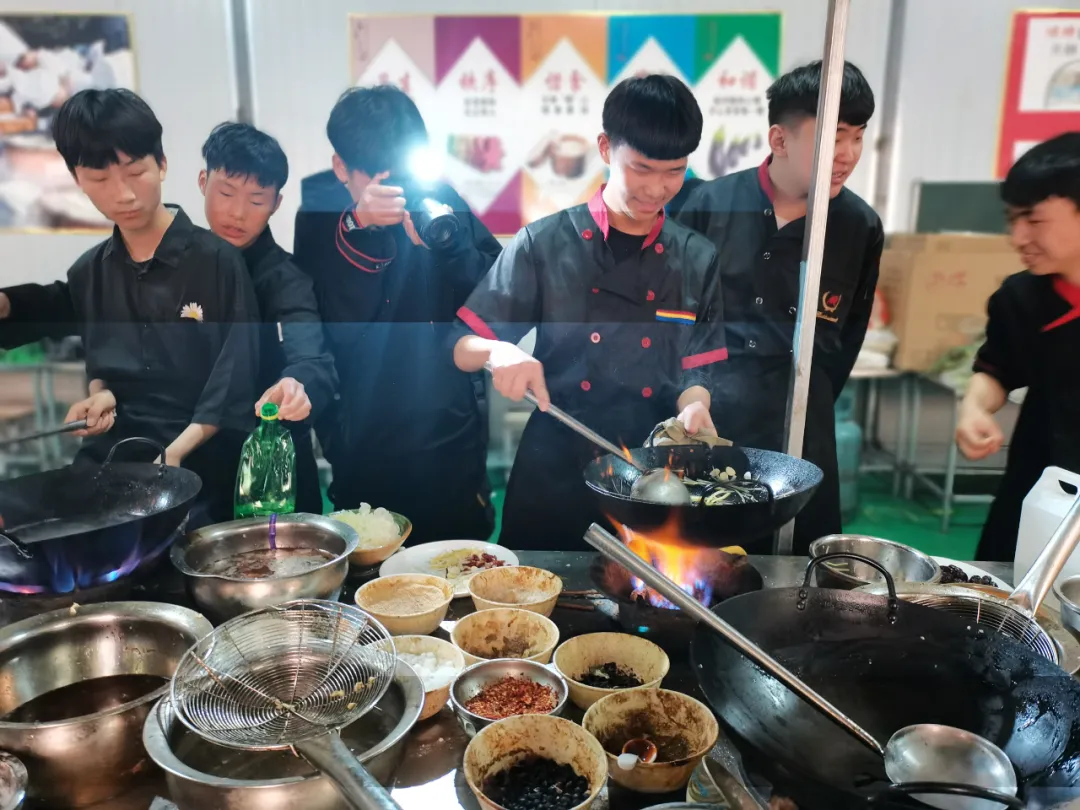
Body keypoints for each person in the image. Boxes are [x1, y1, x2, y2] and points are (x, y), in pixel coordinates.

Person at [453, 75, 727, 551]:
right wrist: (498, 353)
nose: (658, 188)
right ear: (605, 148)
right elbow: (460, 345)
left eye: (674, 171)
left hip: (652, 475)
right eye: (641, 168)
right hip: (556, 467)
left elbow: (697, 369)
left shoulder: (697, 257)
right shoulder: (544, 243)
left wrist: (695, 406)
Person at [0, 88, 259, 526]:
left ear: (161, 164)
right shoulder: (90, 272)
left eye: (135, 171)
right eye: (99, 180)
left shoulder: (216, 261)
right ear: (77, 179)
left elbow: (234, 381)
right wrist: (99, 394)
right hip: (114, 459)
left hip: (199, 460)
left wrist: (174, 453)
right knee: (29, 526)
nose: (123, 194)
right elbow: (105, 364)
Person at [676, 61, 883, 554]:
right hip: (710, 415)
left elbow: (848, 332)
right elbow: (676, 323)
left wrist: (812, 400)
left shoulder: (859, 225)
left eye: (857, 137)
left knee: (804, 569)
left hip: (804, 422)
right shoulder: (710, 205)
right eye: (833, 136)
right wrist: (687, 398)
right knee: (703, 559)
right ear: (780, 139)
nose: (848, 155)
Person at [293, 84, 501, 544]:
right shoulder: (320, 215)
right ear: (341, 167)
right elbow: (329, 320)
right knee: (368, 566)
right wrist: (359, 227)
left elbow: (495, 289)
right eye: (378, 177)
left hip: (448, 436)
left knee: (459, 559)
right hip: (362, 438)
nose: (397, 188)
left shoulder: (438, 196)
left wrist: (449, 247)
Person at [198, 121, 339, 514]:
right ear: (202, 182)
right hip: (193, 466)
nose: (237, 212)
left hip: (275, 468)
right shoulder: (180, 267)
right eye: (225, 192)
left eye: (257, 200)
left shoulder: (286, 279)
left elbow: (312, 357)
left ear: (276, 204)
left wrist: (297, 383)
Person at [956, 133, 1080, 562]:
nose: (1017, 236)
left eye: (1034, 219)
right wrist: (974, 408)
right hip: (1036, 492)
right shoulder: (1022, 298)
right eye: (1012, 220)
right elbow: (997, 369)